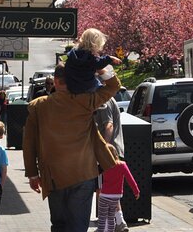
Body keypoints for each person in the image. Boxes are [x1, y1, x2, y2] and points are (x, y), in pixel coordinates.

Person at [23, 61, 121, 232]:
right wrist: (99, 67)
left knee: (59, 225)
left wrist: (32, 174)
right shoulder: (85, 101)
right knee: (78, 226)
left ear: (55, 80)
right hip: (83, 173)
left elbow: (29, 143)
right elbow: (114, 86)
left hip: (54, 176)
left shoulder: (38, 106)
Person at [94, 92, 128, 231]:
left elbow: (108, 125)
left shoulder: (104, 102)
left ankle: (114, 223)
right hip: (113, 152)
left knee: (103, 189)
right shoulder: (105, 99)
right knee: (108, 190)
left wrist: (104, 148)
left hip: (109, 153)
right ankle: (117, 221)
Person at [64, 28, 121, 94]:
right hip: (87, 86)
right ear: (95, 44)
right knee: (99, 86)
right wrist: (110, 58)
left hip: (71, 86)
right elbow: (99, 64)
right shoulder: (90, 57)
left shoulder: (72, 54)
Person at [96, 144, 139, 232]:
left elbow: (95, 173)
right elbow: (130, 179)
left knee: (103, 218)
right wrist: (136, 191)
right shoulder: (122, 165)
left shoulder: (105, 165)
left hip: (104, 195)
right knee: (111, 217)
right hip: (116, 196)